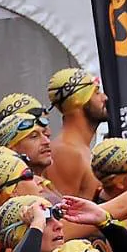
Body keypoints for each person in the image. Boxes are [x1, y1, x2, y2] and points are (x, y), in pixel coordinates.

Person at [46, 68, 106, 199]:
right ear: (78, 101)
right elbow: (63, 210)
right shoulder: (66, 152)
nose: (104, 98)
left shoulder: (79, 149)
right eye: (96, 93)